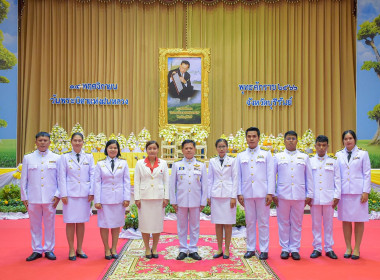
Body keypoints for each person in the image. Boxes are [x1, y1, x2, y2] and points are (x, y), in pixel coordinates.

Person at [273, 130, 313, 260]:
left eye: (293, 138)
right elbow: (272, 176)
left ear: (297, 141)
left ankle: (295, 248)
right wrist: (273, 193)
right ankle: (284, 248)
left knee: (297, 223)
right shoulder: (278, 157)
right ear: (284, 141)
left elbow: (309, 177)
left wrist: (309, 194)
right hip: (282, 195)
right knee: (283, 222)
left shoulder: (304, 157)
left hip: (299, 195)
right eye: (288, 138)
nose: (291, 141)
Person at [20, 132, 60, 261]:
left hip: (50, 198)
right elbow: (23, 180)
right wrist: (24, 197)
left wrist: (57, 195)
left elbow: (60, 179)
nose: (43, 142)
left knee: (50, 225)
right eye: (40, 140)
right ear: (36, 142)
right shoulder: (28, 158)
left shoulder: (57, 158)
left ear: (49, 142)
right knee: (34, 225)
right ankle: (36, 249)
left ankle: (49, 249)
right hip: (33, 198)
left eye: (45, 140)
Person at [236, 127, 275, 260]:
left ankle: (264, 249)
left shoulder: (266, 154)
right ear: (246, 138)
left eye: (254, 136)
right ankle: (250, 248)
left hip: (262, 193)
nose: (251, 139)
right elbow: (238, 176)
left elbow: (270, 174)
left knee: (263, 222)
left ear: (258, 138)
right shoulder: (241, 156)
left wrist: (270, 192)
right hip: (247, 193)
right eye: (249, 136)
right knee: (250, 222)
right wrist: (239, 193)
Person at [58, 132, 95, 261]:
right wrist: (63, 193)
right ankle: (71, 249)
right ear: (71, 142)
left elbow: (92, 175)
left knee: (81, 222)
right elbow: (61, 176)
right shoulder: (65, 157)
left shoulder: (89, 157)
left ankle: (79, 248)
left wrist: (91, 191)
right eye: (75, 140)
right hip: (70, 194)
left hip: (84, 194)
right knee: (70, 221)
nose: (78, 142)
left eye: (80, 140)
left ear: (83, 142)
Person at [336, 130, 371, 260]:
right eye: (345, 139)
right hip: (344, 192)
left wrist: (365, 191)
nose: (348, 141)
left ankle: (357, 248)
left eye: (350, 138)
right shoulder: (338, 154)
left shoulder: (363, 154)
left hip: (358, 192)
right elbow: (337, 175)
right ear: (343, 141)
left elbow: (367, 174)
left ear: (355, 139)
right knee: (345, 220)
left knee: (359, 220)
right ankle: (348, 247)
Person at [170, 140, 207, 261]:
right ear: (182, 150)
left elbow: (204, 185)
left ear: (195, 149)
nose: (189, 150)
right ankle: (182, 248)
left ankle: (193, 249)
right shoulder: (176, 165)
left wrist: (203, 201)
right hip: (181, 200)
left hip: (196, 200)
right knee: (181, 225)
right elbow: (172, 185)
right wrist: (173, 201)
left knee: (195, 225)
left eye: (191, 148)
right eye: (186, 148)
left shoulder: (201, 165)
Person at [94, 140, 130, 260]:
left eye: (115, 148)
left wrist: (126, 198)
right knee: (104, 225)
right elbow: (97, 182)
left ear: (118, 150)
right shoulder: (100, 164)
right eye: (110, 148)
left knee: (116, 225)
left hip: (119, 199)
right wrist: (97, 200)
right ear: (106, 149)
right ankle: (106, 248)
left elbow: (126, 181)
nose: (113, 150)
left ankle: (114, 248)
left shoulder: (123, 163)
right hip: (105, 199)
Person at [134, 141, 170, 259]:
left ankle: (154, 247)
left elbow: (167, 181)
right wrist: (137, 198)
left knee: (156, 225)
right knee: (145, 224)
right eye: (150, 148)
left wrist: (166, 197)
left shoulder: (163, 163)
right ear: (146, 150)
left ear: (157, 150)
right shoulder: (140, 163)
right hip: (144, 198)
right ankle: (147, 248)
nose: (152, 150)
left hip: (158, 198)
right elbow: (137, 181)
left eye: (154, 148)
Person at [309, 135, 341, 259]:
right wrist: (309, 195)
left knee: (328, 224)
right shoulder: (310, 161)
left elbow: (337, 179)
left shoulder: (333, 161)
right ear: (315, 146)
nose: (321, 148)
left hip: (329, 197)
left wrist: (337, 196)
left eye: (324, 145)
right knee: (316, 224)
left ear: (327, 146)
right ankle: (317, 248)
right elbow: (308, 179)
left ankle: (329, 248)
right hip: (315, 198)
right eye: (319, 145)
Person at [208, 139, 237, 259]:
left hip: (228, 195)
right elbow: (210, 179)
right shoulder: (212, 161)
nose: (221, 148)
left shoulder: (233, 161)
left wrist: (233, 197)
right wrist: (208, 196)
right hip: (216, 195)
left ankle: (227, 249)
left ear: (227, 148)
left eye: (223, 146)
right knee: (218, 223)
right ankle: (219, 248)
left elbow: (235, 178)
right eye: (219, 146)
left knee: (228, 223)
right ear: (216, 148)